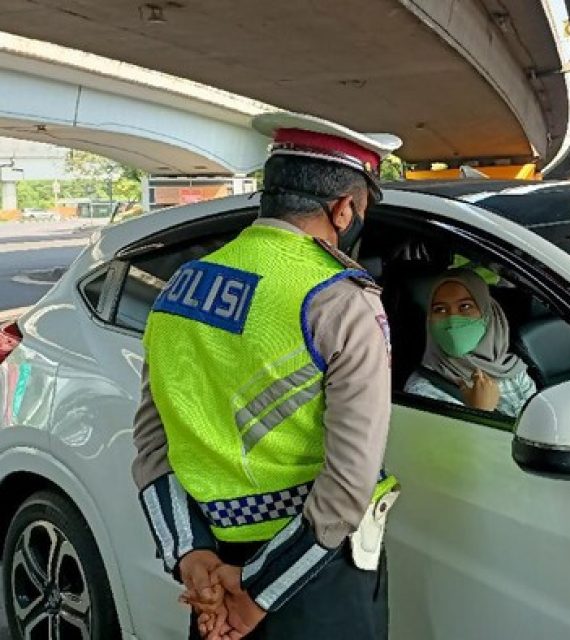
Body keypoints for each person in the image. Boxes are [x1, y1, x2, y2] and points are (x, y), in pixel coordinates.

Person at [131, 111, 402, 640]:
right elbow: (347, 490)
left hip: (212, 562)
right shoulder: (341, 301)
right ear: (344, 210)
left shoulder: (181, 287)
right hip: (309, 580)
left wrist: (193, 557)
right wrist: (255, 595)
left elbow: (151, 442)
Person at [405, 268, 537, 417]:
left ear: (488, 314)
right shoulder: (422, 392)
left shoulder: (513, 371)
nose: (452, 320)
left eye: (465, 306)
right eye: (440, 310)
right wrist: (480, 413)